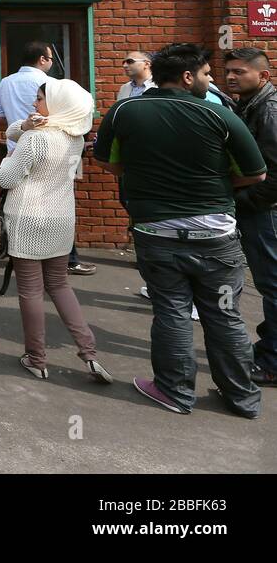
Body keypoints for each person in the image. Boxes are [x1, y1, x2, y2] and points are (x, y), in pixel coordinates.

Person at [94, 42, 266, 418]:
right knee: (224, 314)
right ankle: (242, 398)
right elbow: (255, 173)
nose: (211, 80)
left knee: (171, 312)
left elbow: (108, 161)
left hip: (158, 237)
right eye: (207, 74)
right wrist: (213, 186)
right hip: (216, 241)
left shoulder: (124, 110)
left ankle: (174, 391)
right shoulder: (220, 115)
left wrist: (147, 179)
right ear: (187, 77)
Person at [0, 79, 114, 384]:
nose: (34, 104)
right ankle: (89, 352)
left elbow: (6, 180)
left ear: (58, 104)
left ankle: (37, 359)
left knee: (31, 291)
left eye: (39, 99)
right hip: (61, 218)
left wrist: (5, 160)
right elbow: (13, 131)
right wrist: (26, 125)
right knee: (60, 285)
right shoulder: (74, 138)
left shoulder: (35, 141)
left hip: (27, 217)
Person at [0, 41, 97, 276]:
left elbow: (1, 121)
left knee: (24, 207)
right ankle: (68, 258)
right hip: (57, 151)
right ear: (42, 59)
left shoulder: (5, 83)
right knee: (56, 196)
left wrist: (16, 142)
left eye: (38, 100)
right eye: (51, 59)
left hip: (18, 154)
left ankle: (11, 250)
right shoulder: (53, 86)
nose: (35, 103)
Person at [223, 47, 277, 386]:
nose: (230, 76)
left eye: (240, 71)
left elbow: (275, 173)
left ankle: (273, 361)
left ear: (263, 76)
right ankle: (269, 347)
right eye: (228, 70)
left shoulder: (268, 110)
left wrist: (244, 200)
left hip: (265, 212)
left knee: (273, 285)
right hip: (258, 209)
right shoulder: (247, 104)